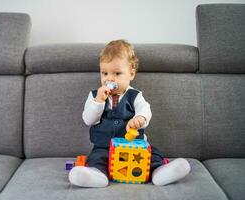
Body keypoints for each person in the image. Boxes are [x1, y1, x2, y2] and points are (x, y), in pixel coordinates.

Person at [68, 39, 191, 187]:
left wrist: (140, 118)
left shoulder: (135, 95)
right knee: (97, 158)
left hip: (134, 146)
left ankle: (159, 172)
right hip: (105, 147)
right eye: (104, 73)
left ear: (131, 74)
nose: (109, 79)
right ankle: (97, 175)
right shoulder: (95, 96)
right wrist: (98, 102)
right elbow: (88, 120)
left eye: (117, 73)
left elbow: (145, 110)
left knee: (152, 154)